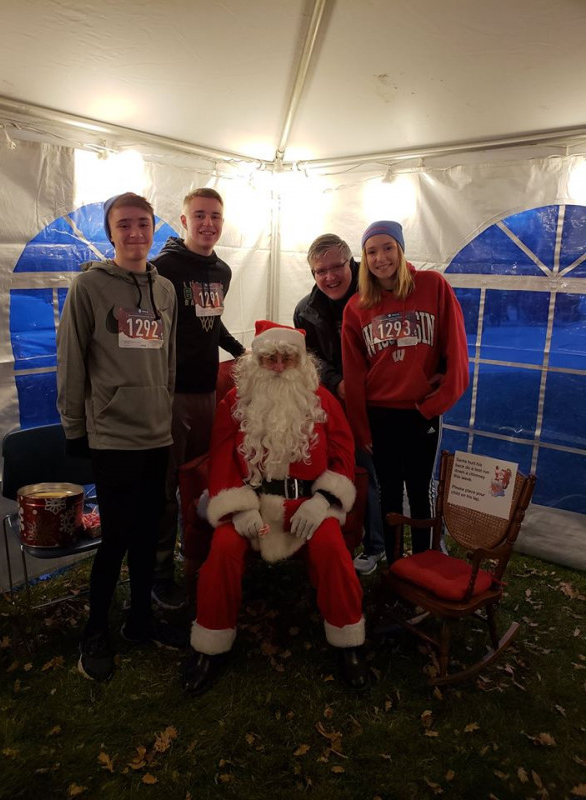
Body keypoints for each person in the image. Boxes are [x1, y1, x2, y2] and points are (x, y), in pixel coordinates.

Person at [181, 320, 369, 694]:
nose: (279, 367)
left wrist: (323, 500)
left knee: (332, 549)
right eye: (270, 359)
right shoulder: (235, 402)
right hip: (251, 504)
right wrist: (240, 508)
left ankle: (348, 643)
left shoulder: (322, 400)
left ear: (301, 361)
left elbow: (344, 454)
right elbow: (221, 459)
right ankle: (209, 646)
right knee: (223, 551)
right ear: (258, 362)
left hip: (307, 504)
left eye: (287, 358)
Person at [56, 192, 184, 682]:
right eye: (124, 224)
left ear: (154, 229)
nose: (135, 233)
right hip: (112, 435)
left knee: (148, 534)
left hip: (156, 434)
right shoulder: (89, 286)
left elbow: (167, 360)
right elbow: (71, 359)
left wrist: (166, 411)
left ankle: (140, 621)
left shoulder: (165, 289)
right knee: (116, 539)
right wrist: (74, 426)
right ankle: (96, 629)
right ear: (110, 233)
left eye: (143, 223)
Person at [342, 221, 469, 564]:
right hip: (379, 415)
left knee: (420, 491)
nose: (380, 258)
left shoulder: (432, 285)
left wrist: (435, 404)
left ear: (400, 249)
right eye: (371, 251)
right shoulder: (356, 307)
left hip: (420, 411)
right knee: (389, 494)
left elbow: (457, 351)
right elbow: (354, 374)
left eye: (388, 248)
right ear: (364, 258)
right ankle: (396, 566)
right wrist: (361, 428)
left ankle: (424, 561)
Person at [151, 188, 245, 610]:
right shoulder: (163, 268)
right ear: (184, 221)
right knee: (164, 487)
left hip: (207, 393)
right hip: (170, 395)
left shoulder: (222, 270)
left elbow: (213, 322)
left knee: (201, 482)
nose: (208, 223)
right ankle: (159, 574)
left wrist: (241, 352)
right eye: (200, 215)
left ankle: (197, 559)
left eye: (216, 216)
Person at [293, 234, 385, 575]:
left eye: (337, 267)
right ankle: (375, 545)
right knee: (364, 473)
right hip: (341, 404)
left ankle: (426, 544)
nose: (330, 277)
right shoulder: (305, 310)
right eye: (321, 271)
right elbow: (311, 360)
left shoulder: (379, 292)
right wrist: (338, 384)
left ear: (352, 264)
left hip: (385, 399)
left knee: (404, 475)